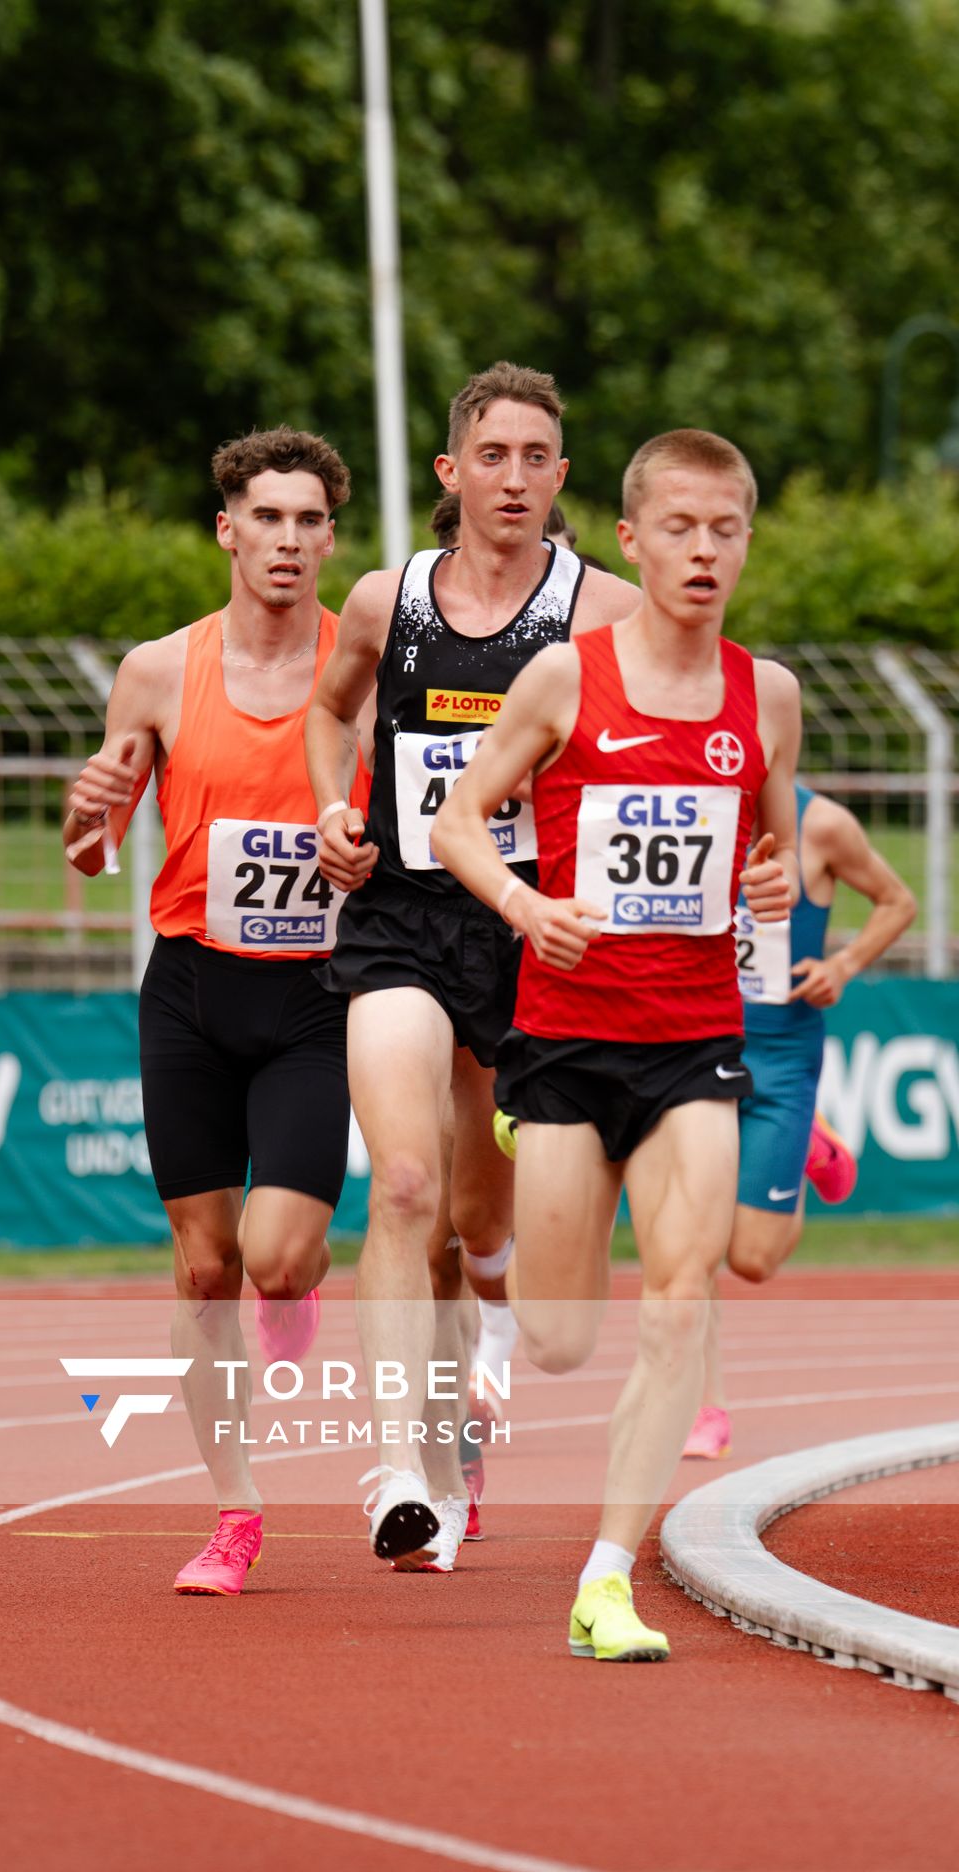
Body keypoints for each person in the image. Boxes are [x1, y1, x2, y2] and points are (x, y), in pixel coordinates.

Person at [432, 427, 802, 1658]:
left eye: (725, 530)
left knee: (675, 1304)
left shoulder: (768, 695)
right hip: (563, 1039)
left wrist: (770, 874)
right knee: (555, 1338)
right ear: (631, 541)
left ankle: (605, 1582)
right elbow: (455, 825)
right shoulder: (560, 679)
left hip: (692, 1041)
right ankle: (512, 1147)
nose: (703, 552)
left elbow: (775, 838)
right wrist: (525, 905)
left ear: (746, 540)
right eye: (679, 530)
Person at [306, 362, 641, 1573]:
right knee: (400, 1186)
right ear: (451, 474)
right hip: (398, 917)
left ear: (560, 477)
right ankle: (398, 1467)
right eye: (488, 456)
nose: (512, 478)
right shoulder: (382, 601)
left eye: (533, 458)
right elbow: (326, 707)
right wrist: (327, 811)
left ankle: (490, 1319)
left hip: (527, 933)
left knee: (477, 1214)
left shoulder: (598, 611)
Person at [66, 426, 360, 1598]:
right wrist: (84, 813)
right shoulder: (155, 670)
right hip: (189, 986)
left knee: (277, 1263)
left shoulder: (365, 665)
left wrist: (361, 857)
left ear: (330, 539)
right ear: (226, 530)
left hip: (317, 998)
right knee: (202, 1271)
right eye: (267, 518)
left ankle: (295, 1297)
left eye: (309, 521)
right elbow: (93, 849)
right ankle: (235, 1513)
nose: (286, 541)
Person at [683, 789, 917, 1457]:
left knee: (752, 1260)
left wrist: (843, 963)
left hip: (781, 1058)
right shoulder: (677, 798)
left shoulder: (822, 824)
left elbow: (898, 901)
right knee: (690, 1240)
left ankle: (808, 1147)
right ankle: (707, 1406)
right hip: (693, 1049)